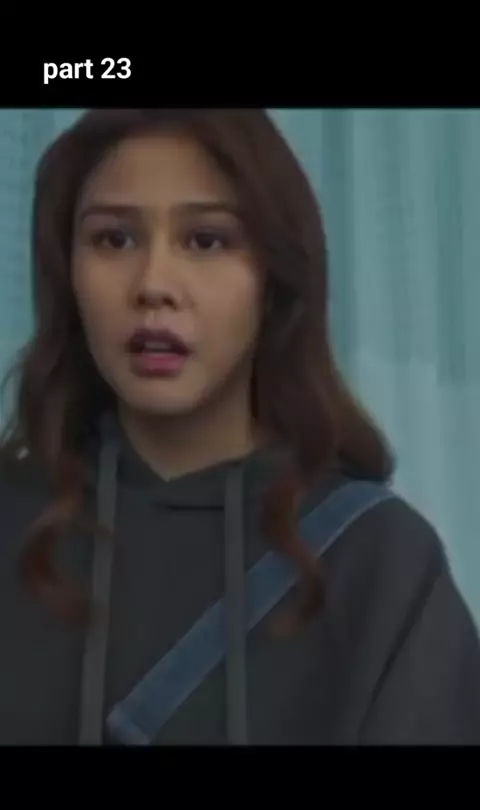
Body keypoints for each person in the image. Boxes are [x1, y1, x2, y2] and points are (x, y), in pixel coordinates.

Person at [1, 108, 479, 746]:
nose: (154, 285)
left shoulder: (381, 564)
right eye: (114, 239)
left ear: (273, 277)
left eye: (206, 240)